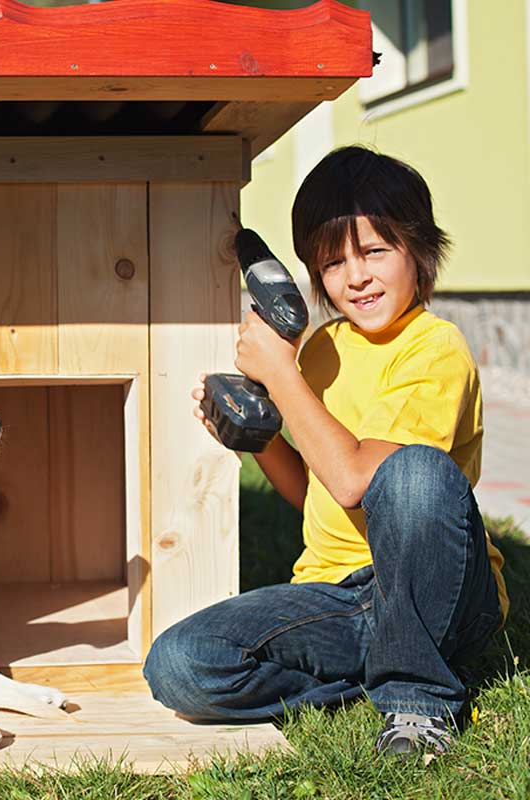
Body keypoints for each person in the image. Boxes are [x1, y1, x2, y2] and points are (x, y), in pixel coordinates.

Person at [143, 146, 507, 756]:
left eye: (374, 251)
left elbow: (357, 481)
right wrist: (257, 439)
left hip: (441, 591)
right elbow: (314, 491)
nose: (355, 276)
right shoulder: (321, 351)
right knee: (179, 664)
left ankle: (418, 702)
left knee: (412, 471)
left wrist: (280, 375)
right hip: (341, 598)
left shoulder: (435, 349)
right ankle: (374, 670)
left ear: (419, 250)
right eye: (333, 262)